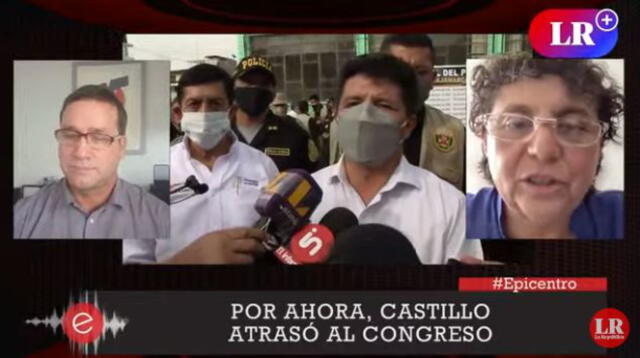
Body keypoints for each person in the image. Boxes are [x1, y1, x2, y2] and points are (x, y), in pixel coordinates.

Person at [311, 54, 483, 264]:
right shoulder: (304, 198)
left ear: (408, 125)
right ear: (337, 113)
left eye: (383, 105)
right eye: (353, 102)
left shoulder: (450, 206)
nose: (364, 115)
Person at [466, 56, 624, 239]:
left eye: (572, 126)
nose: (544, 151)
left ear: (600, 144)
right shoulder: (452, 218)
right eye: (516, 124)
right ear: (485, 139)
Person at [147, 63, 280, 263]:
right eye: (194, 104)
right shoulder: (151, 172)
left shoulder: (263, 166)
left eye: (215, 104)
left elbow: (277, 237)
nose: (204, 113)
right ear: (177, 113)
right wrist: (190, 259)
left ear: (231, 110)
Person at [14, 85, 169, 239]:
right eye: (70, 135)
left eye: (98, 137)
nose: (81, 153)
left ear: (121, 147)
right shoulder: (21, 216)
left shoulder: (160, 219)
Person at [230, 55, 317, 172]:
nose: (255, 88)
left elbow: (314, 180)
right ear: (232, 87)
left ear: (273, 91)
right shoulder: (217, 134)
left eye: (263, 84)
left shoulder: (295, 135)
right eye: (248, 82)